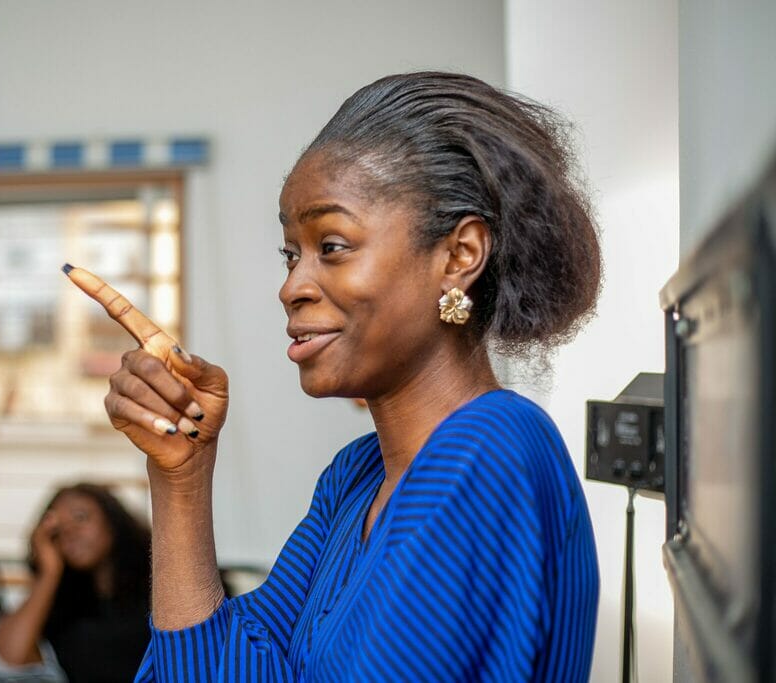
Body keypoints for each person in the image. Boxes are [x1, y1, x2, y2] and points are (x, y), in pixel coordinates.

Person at [103, 72, 602, 681]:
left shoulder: (490, 449)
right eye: (291, 253)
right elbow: (209, 670)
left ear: (459, 256)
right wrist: (180, 479)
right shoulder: (356, 476)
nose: (292, 287)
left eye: (332, 245)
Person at [0, 483, 151, 682]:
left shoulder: (158, 586)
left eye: (81, 517)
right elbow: (3, 662)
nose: (70, 532)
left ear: (113, 522)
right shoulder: (59, 603)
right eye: (58, 529)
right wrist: (49, 573)